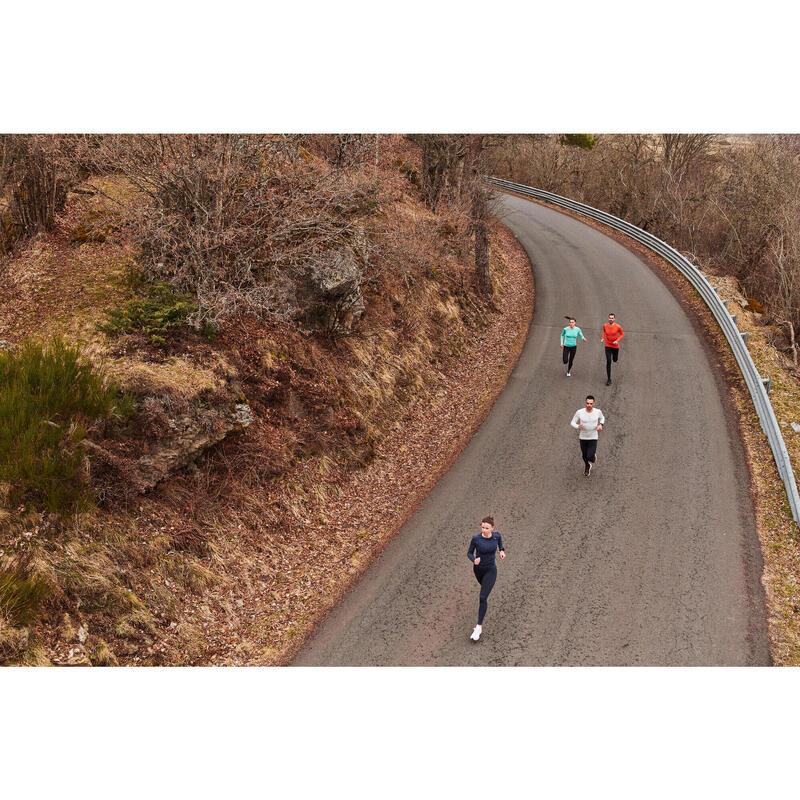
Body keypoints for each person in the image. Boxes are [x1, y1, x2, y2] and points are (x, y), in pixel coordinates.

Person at [467, 515, 505, 642]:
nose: (484, 530)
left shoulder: (496, 536)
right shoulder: (476, 539)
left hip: (490, 570)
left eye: (487, 528)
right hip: (478, 570)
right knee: (483, 590)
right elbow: (469, 553)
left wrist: (501, 551)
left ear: (492, 528)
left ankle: (478, 627)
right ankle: (478, 626)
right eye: (482, 527)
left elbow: (500, 543)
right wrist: (474, 560)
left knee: (483, 597)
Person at [570, 395, 605, 477]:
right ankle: (587, 466)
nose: (589, 405)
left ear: (594, 403)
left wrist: (601, 425)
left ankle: (592, 457)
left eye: (591, 403)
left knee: (589, 456)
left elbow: (602, 418)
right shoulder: (579, 412)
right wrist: (577, 426)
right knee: (584, 455)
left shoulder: (597, 412)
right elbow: (572, 422)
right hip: (583, 437)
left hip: (593, 437)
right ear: (585, 402)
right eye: (587, 403)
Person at [600, 313, 625, 385]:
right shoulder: (605, 325)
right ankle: (609, 379)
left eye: (612, 318)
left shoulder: (618, 327)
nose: (611, 319)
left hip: (615, 346)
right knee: (608, 361)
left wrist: (617, 341)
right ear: (608, 318)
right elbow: (604, 331)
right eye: (609, 318)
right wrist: (602, 338)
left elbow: (622, 334)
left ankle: (615, 359)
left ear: (614, 319)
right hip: (607, 345)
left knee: (615, 359)